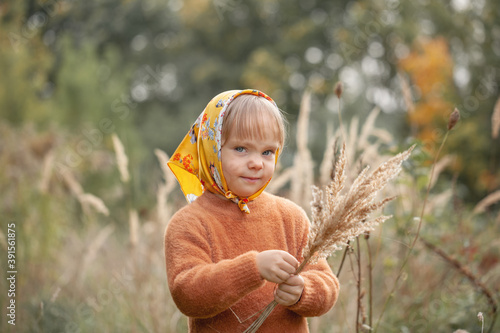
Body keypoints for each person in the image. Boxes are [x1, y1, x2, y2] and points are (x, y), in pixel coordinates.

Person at [165, 89, 339, 332]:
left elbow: (327, 284)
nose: (257, 163)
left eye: (267, 152)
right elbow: (188, 295)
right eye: (241, 149)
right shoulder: (190, 223)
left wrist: (302, 291)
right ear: (211, 148)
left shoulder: (291, 217)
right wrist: (252, 268)